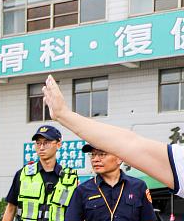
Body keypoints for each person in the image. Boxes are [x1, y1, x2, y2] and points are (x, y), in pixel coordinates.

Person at [43, 75, 183, 195]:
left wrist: (65, 115)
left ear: (119, 158)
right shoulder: (85, 190)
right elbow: (131, 143)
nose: (96, 159)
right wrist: (64, 115)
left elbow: (131, 144)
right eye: (93, 154)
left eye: (102, 154)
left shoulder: (136, 188)